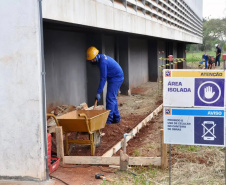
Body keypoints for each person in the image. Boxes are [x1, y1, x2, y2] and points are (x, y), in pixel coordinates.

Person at [86, 46, 124, 124]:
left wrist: (98, 92)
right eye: (91, 60)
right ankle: (116, 118)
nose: (92, 61)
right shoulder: (101, 59)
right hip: (113, 77)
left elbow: (103, 78)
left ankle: (108, 121)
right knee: (112, 98)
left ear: (96, 56)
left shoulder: (102, 62)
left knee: (110, 98)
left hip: (116, 78)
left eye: (92, 59)